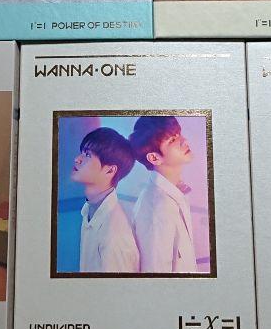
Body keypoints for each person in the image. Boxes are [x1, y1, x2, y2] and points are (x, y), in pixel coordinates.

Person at [129, 115, 199, 274]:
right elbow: (155, 276)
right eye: (172, 140)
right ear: (154, 157)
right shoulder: (157, 207)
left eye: (179, 134)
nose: (184, 141)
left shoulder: (174, 193)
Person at [70, 127, 139, 273]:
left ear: (110, 170)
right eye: (82, 152)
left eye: (87, 155)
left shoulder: (114, 235)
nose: (77, 159)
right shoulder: (90, 210)